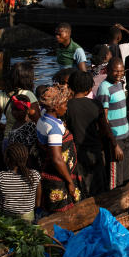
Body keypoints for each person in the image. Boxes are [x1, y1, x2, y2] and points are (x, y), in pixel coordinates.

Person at [66, 70, 120, 198]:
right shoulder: (95, 104)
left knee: (82, 188)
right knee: (98, 187)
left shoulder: (67, 106)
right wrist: (114, 144)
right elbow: (105, 128)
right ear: (89, 89)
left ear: (71, 86)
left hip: (76, 154)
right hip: (94, 151)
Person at [37, 84, 84, 213]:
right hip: (58, 179)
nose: (66, 107)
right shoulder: (54, 130)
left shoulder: (43, 117)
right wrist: (69, 182)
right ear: (56, 107)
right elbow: (57, 159)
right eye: (64, 104)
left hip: (49, 174)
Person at [0, 145, 41, 221]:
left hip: (5, 223)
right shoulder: (35, 176)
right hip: (28, 221)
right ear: (26, 158)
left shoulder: (1, 177)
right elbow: (37, 204)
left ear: (7, 159)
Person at [97, 58, 129, 189]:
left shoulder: (118, 84)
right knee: (115, 181)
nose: (119, 74)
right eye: (115, 71)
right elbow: (103, 119)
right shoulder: (104, 88)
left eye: (121, 71)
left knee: (127, 177)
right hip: (115, 141)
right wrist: (114, 145)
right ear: (108, 71)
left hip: (126, 136)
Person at [0, 61, 39, 137]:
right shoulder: (28, 94)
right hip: (26, 137)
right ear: (27, 79)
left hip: (8, 137)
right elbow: (37, 119)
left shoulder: (1, 94)